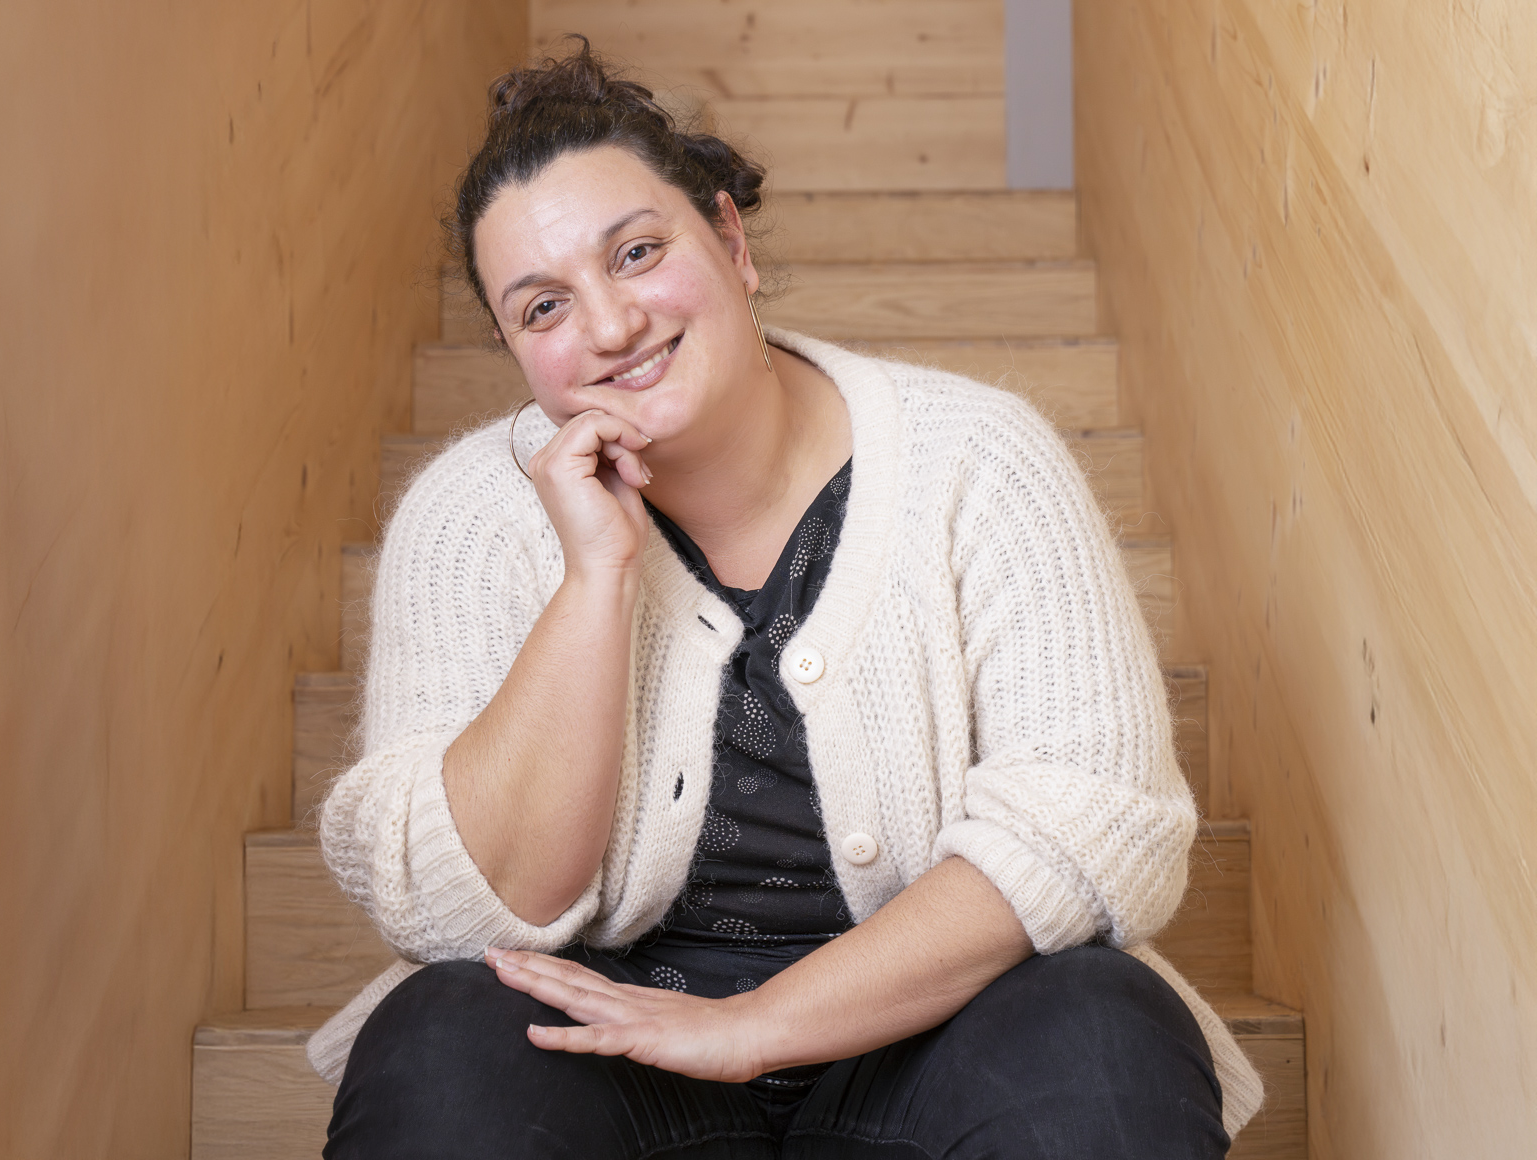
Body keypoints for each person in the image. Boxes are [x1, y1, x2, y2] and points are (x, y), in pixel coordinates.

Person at [310, 40, 1262, 1159]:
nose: (610, 326)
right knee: (436, 1041)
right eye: (542, 308)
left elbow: (1090, 829)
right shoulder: (471, 516)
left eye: (638, 251)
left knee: (1104, 1028)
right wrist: (594, 577)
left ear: (731, 241)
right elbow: (466, 905)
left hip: (937, 1040)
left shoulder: (981, 463)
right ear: (516, 352)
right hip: (618, 1059)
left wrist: (755, 1025)